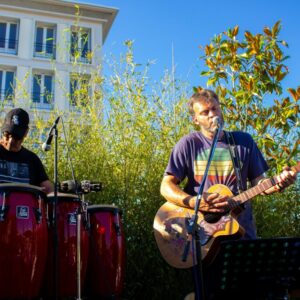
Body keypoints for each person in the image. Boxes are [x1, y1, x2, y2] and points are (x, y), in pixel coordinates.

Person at [160, 89, 297, 299]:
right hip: (203, 240)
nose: (212, 114)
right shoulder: (188, 144)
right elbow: (166, 186)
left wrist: (279, 184)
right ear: (195, 119)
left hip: (242, 237)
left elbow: (261, 183)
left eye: (215, 108)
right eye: (205, 112)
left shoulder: (243, 142)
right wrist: (196, 201)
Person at [0, 107, 53, 193]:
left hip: (24, 206)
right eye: (7, 135)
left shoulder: (32, 159)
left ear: (26, 133)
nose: (10, 142)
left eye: (16, 137)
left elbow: (48, 189)